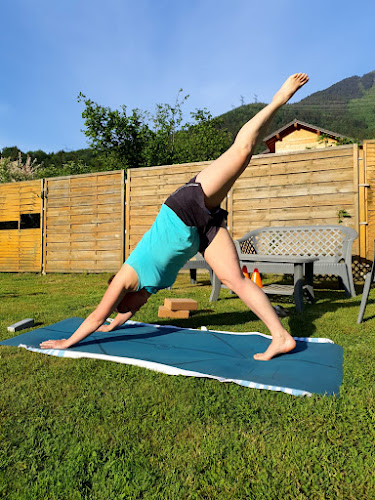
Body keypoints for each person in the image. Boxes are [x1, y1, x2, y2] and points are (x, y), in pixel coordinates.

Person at [40, 73, 309, 361]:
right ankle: (281, 337)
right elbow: (117, 316)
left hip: (183, 208)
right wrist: (112, 326)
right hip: (199, 232)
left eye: (119, 307)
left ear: (118, 293)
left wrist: (68, 342)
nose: (124, 310)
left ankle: (278, 99)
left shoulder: (124, 279)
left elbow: (97, 315)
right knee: (235, 281)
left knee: (242, 151)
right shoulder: (143, 290)